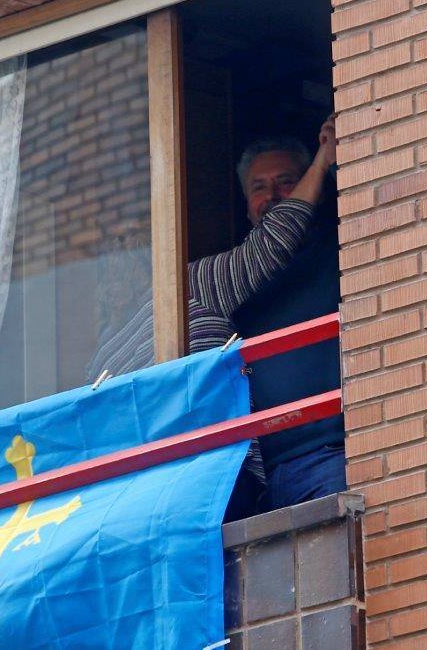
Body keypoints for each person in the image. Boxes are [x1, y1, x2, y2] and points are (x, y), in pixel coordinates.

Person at [87, 116, 338, 520]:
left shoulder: (187, 287)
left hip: (253, 470)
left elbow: (270, 244)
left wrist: (327, 158)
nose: (124, 257)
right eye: (115, 250)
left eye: (134, 243)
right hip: (186, 492)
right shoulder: (106, 354)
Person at [234, 131, 345, 511]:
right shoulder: (234, 280)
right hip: (260, 477)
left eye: (286, 182)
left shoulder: (342, 251)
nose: (273, 196)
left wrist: (327, 158)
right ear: (246, 205)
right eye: (258, 187)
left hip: (328, 455)